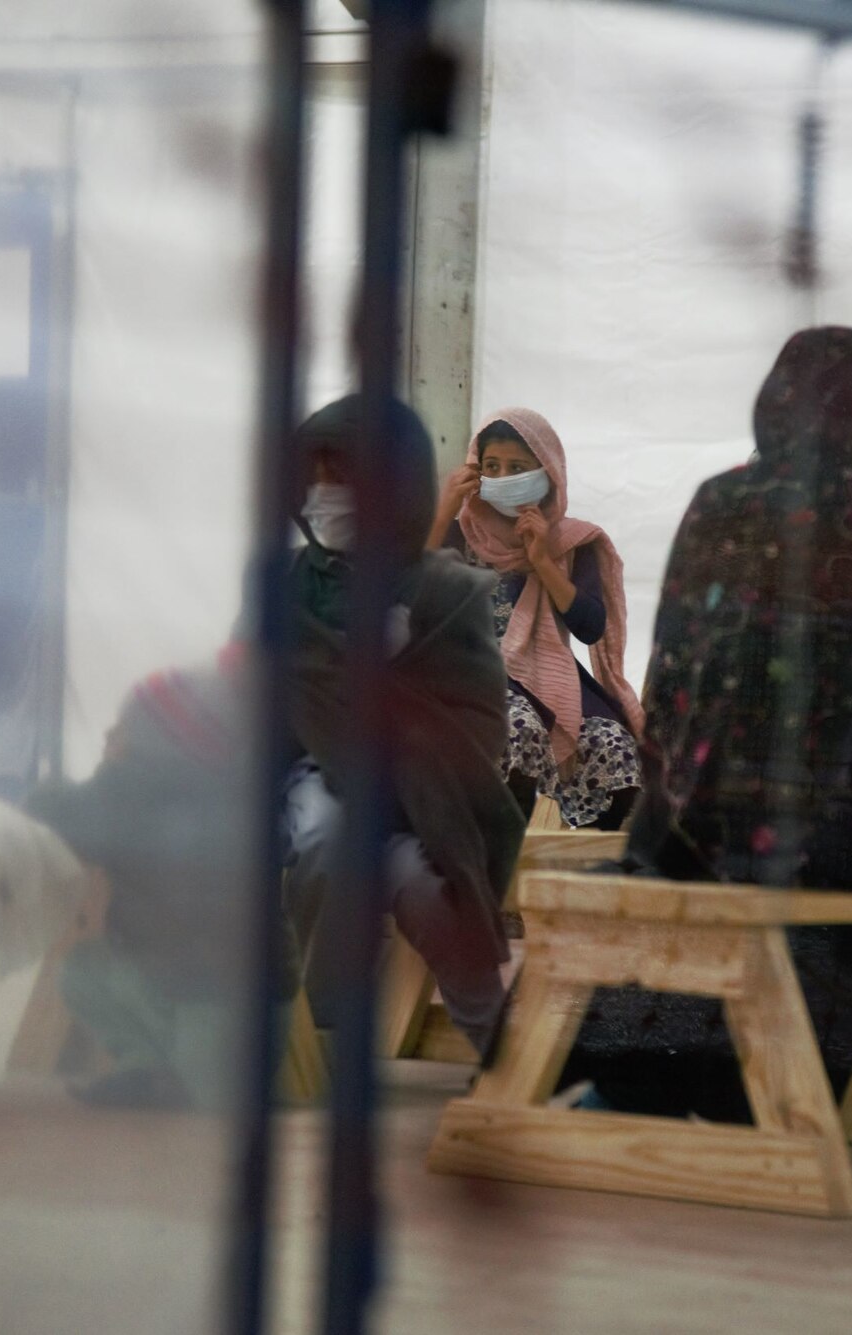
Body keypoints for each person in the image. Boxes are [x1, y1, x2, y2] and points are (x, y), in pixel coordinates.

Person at [559, 327, 852, 1119]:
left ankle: (638, 1077)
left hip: (703, 833)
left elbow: (671, 686)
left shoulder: (720, 503)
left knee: (674, 877)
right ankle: (775, 1079)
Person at [285, 395, 527, 1059]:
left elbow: (478, 721)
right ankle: (320, 1020)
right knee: (324, 836)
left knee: (431, 889)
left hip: (422, 798)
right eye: (317, 477)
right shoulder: (288, 585)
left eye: (345, 479)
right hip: (313, 784)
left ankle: (504, 1055)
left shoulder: (445, 593)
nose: (325, 495)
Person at [27, 645, 258, 1112]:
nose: (116, 732)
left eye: (127, 723)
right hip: (255, 1001)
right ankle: (154, 1074)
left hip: (199, 1006)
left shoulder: (128, 786)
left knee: (81, 969)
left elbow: (51, 809)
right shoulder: (238, 783)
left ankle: (152, 1067)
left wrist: (104, 767)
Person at [428, 409, 645, 829]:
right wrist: (442, 515)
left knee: (615, 746)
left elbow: (590, 626)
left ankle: (577, 872)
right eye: (492, 467)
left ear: (547, 472)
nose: (503, 477)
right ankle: (502, 856)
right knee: (516, 726)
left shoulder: (572, 542)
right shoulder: (456, 535)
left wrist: (542, 560)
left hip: (551, 681)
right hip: (469, 677)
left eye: (517, 468)